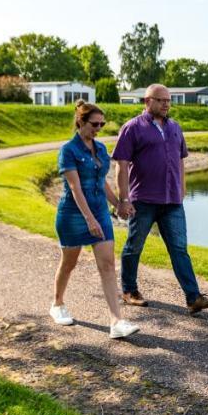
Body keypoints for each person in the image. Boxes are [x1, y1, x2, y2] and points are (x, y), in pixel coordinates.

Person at [113, 84, 208, 314]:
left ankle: (194, 298)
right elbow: (121, 164)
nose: (166, 104)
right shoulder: (132, 128)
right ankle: (129, 290)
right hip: (143, 200)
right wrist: (123, 199)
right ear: (147, 101)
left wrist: (182, 189)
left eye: (168, 101)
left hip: (172, 201)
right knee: (134, 246)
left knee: (179, 249)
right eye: (161, 100)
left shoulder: (175, 127)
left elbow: (181, 160)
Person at [50, 100, 139, 338]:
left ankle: (116, 322)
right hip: (73, 214)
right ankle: (57, 304)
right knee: (69, 263)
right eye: (94, 124)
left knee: (108, 265)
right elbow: (75, 187)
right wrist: (89, 220)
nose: (99, 128)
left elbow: (102, 182)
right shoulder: (68, 150)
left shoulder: (100, 149)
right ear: (80, 121)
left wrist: (118, 204)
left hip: (99, 211)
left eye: (102, 124)